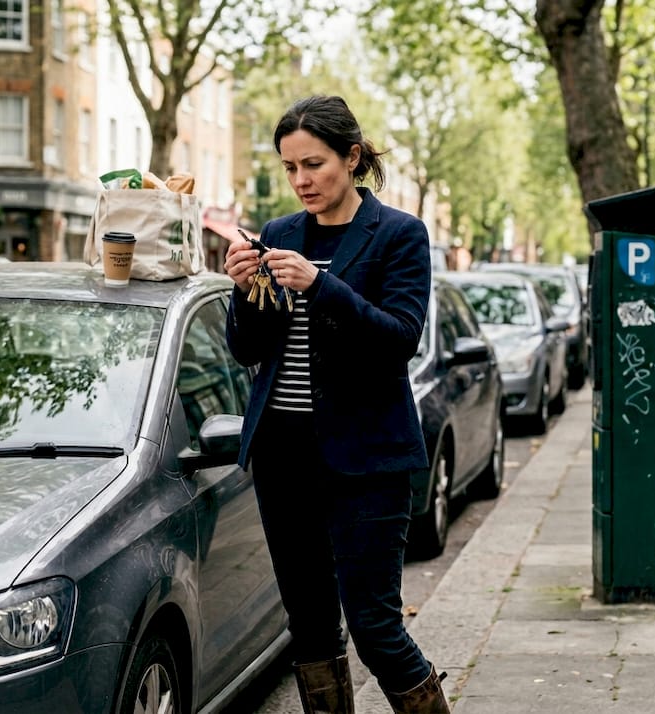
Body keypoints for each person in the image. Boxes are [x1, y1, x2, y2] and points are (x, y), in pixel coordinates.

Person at [224, 95, 449, 713]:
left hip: (368, 463)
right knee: (311, 629)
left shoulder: (400, 235)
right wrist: (244, 290)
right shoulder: (278, 234)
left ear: (351, 158)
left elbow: (399, 339)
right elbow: (249, 349)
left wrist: (323, 285)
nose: (301, 181)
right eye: (290, 167)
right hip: (283, 458)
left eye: (314, 164)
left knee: (376, 629)